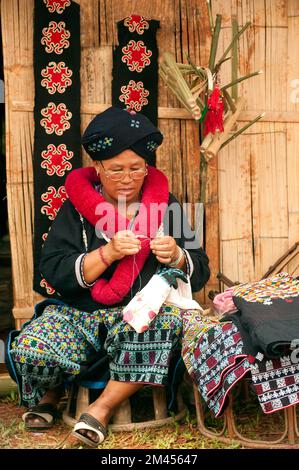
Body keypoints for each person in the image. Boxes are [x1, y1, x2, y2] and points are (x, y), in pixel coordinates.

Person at [7, 106, 210, 447]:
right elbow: (53, 268)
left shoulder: (169, 205)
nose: (128, 178)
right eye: (116, 170)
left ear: (148, 168)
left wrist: (176, 254)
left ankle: (100, 410)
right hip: (79, 315)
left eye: (137, 168)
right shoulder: (74, 209)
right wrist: (108, 253)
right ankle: (53, 393)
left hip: (140, 318)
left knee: (165, 325)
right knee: (31, 347)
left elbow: (200, 266)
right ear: (98, 168)